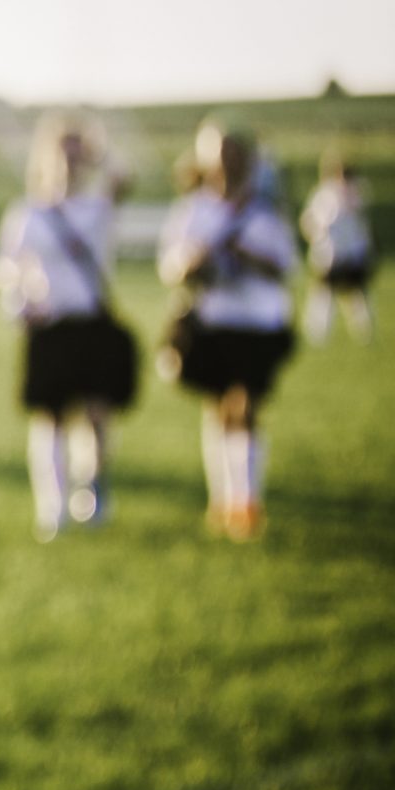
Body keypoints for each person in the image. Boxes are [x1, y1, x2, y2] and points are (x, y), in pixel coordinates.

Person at [0, 114, 138, 540]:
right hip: (51, 324)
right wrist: (20, 302)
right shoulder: (30, 213)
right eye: (63, 153)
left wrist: (99, 149)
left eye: (78, 154)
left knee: (95, 416)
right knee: (50, 417)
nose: (71, 163)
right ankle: (51, 505)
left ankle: (91, 490)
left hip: (91, 321)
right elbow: (6, 265)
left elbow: (126, 178)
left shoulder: (98, 207)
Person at [157, 120, 298, 541]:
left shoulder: (266, 209)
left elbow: (285, 266)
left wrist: (246, 256)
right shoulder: (193, 209)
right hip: (212, 320)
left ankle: (246, 500)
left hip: (256, 321)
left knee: (245, 404)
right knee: (219, 409)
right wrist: (193, 264)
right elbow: (170, 266)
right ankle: (223, 498)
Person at [300, 153, 375, 343]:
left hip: (353, 252)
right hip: (329, 254)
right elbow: (310, 222)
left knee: (357, 292)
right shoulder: (323, 196)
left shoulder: (356, 195)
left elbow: (360, 227)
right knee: (325, 293)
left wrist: (363, 250)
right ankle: (318, 331)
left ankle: (364, 330)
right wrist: (318, 239)